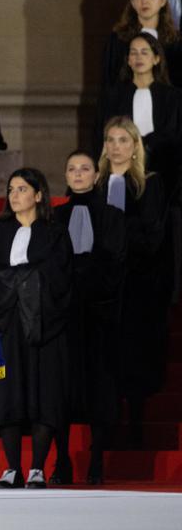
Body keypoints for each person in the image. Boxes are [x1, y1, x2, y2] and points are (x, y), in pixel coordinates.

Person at [0, 168, 73, 489]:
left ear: (38, 194)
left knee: (44, 391)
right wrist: (20, 282)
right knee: (9, 392)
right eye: (11, 189)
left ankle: (37, 469)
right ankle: (12, 468)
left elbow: (61, 275)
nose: (14, 195)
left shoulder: (55, 233)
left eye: (21, 189)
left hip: (46, 324)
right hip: (7, 323)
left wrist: (21, 280)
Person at [52, 151, 126, 485]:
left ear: (97, 175)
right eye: (72, 169)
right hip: (63, 315)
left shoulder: (111, 216)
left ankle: (97, 460)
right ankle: (62, 459)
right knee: (61, 387)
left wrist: (81, 278)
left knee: (99, 387)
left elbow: (115, 261)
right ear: (65, 176)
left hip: (98, 313)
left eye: (85, 169)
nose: (78, 174)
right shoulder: (53, 218)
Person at [96, 117, 169, 450]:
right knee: (105, 355)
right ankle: (106, 421)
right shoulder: (95, 184)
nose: (116, 147)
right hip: (101, 283)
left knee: (134, 352)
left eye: (123, 140)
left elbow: (153, 235)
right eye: (111, 140)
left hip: (136, 282)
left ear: (135, 146)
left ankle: (134, 423)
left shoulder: (148, 184)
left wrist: (118, 231)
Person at [97, 32, 182, 194]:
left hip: (166, 172)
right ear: (128, 60)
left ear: (156, 59)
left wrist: (147, 145)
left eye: (144, 52)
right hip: (122, 169)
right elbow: (101, 134)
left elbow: (174, 134)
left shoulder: (173, 97)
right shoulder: (113, 96)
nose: (138, 57)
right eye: (133, 53)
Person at [102, 0, 182, 90]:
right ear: (132, 3)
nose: (144, 1)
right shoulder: (118, 40)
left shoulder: (175, 41)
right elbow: (108, 85)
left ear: (163, 0)